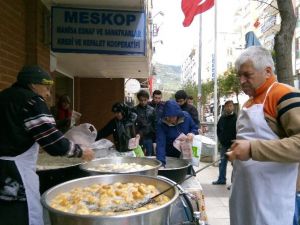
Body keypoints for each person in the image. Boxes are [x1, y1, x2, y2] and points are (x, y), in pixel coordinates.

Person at [0, 65, 94, 225]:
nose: (48, 93)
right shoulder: (32, 101)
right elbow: (54, 142)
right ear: (33, 84)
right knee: (27, 215)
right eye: (46, 87)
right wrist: (80, 151)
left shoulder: (4, 96)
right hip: (16, 171)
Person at [225, 46, 299, 225]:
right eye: (239, 76)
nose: (242, 81)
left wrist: (252, 148)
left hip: (272, 199)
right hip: (244, 193)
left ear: (267, 71)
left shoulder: (284, 95)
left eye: (247, 75)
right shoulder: (248, 103)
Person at [156, 100, 199, 166]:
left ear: (178, 114)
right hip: (170, 152)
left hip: (186, 151)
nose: (171, 119)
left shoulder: (186, 117)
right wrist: (161, 163)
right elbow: (160, 144)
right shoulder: (161, 124)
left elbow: (194, 127)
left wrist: (192, 133)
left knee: (187, 170)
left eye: (173, 116)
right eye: (168, 117)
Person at [212, 100, 237, 185]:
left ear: (233, 107)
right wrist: (221, 139)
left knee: (235, 165)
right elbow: (218, 129)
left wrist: (235, 142)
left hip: (234, 145)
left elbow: (239, 131)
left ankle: (234, 183)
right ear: (224, 107)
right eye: (227, 106)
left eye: (230, 106)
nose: (229, 107)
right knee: (222, 163)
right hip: (224, 145)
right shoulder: (222, 118)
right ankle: (221, 179)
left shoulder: (236, 118)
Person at [134, 90, 156, 156]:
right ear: (138, 99)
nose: (143, 102)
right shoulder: (134, 110)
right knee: (139, 156)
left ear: (148, 99)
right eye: (141, 100)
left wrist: (155, 139)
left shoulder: (152, 110)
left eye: (145, 100)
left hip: (149, 137)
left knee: (149, 156)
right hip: (138, 137)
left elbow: (154, 124)